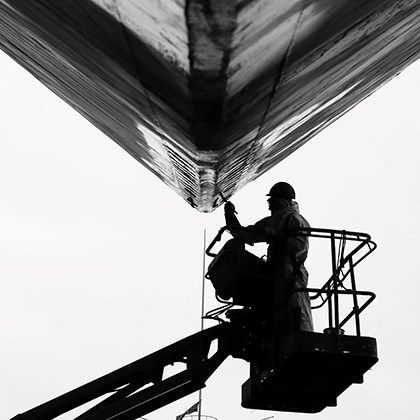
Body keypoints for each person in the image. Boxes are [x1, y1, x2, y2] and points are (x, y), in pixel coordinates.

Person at [224, 182, 313, 339]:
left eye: (272, 200)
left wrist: (275, 235)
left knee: (296, 313)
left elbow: (299, 245)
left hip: (292, 276)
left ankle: (300, 339)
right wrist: (230, 216)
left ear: (282, 201)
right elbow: (245, 234)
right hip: (276, 275)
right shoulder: (274, 220)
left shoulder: (295, 220)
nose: (269, 204)